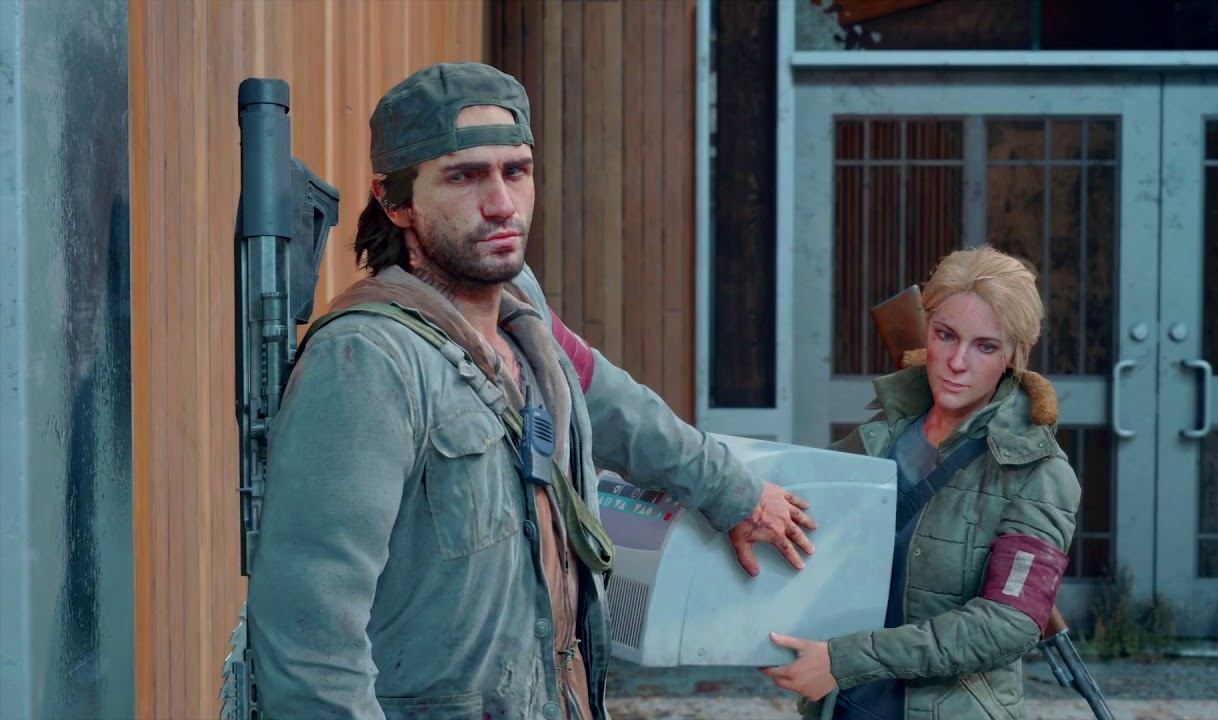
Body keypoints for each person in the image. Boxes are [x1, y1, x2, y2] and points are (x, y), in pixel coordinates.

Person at [244, 62, 816, 720]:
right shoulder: (367, 361)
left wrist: (735, 491)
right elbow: (312, 642)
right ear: (396, 201)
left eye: (516, 171)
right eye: (464, 176)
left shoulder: (523, 321)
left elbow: (616, 407)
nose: (501, 204)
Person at [762, 246, 1081, 720]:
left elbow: (1007, 625)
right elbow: (793, 516)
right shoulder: (880, 436)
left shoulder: (1038, 473)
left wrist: (844, 661)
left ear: (1015, 354)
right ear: (925, 329)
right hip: (842, 706)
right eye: (945, 335)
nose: (956, 362)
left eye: (985, 346)